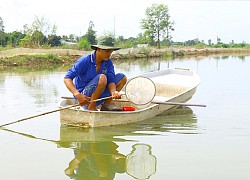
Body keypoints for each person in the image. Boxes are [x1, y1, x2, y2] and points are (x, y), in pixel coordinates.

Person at [64, 35, 127, 111]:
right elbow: (67, 78)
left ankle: (106, 105)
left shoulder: (108, 62)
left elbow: (111, 80)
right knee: (102, 77)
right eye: (107, 51)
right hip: (84, 96)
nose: (109, 54)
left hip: (99, 94)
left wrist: (114, 92)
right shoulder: (85, 60)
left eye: (111, 51)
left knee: (122, 78)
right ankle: (91, 107)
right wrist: (77, 95)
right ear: (99, 49)